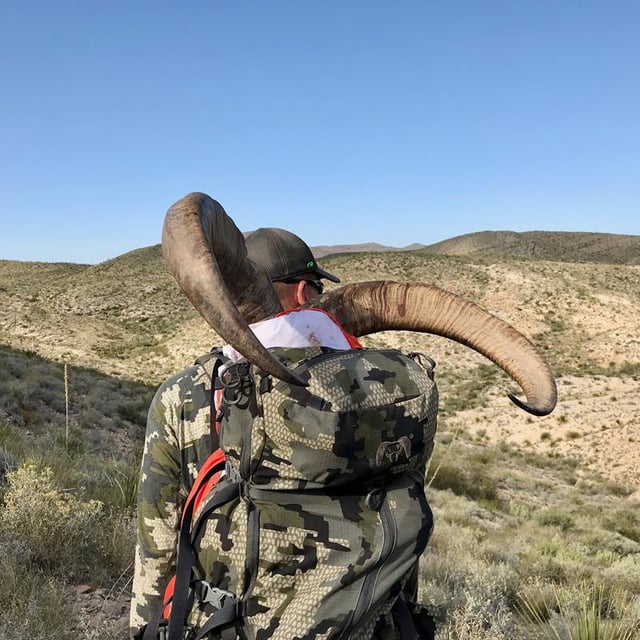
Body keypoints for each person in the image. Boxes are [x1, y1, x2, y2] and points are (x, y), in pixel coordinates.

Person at [129, 228, 346, 637]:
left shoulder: (183, 394)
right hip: (350, 617)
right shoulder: (363, 388)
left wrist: (145, 627)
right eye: (318, 288)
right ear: (304, 293)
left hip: (232, 622)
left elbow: (158, 542)